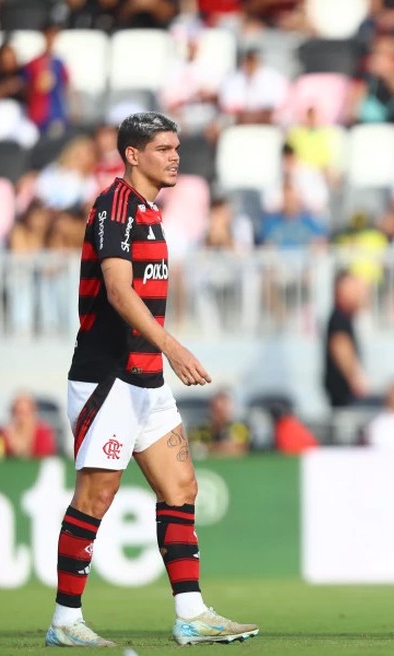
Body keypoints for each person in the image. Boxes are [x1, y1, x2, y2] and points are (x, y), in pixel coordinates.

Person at [45, 112, 258, 647]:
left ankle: (191, 613)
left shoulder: (149, 212)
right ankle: (65, 621)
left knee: (181, 487)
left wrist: (160, 355)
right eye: (163, 148)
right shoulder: (113, 205)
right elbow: (118, 292)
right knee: (96, 495)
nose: (175, 156)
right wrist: (172, 344)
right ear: (133, 155)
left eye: (176, 147)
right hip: (108, 376)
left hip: (147, 378)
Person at [323, 270, 371, 408]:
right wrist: (356, 380)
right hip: (344, 395)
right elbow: (340, 347)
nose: (358, 294)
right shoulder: (339, 318)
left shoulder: (344, 317)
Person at [0, 392, 57, 460]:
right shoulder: (3, 433)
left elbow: (46, 456)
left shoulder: (43, 432)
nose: (21, 417)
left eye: (25, 413)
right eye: (18, 412)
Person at [188, 389, 252, 458]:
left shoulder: (239, 428)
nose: (218, 414)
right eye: (215, 409)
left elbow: (240, 449)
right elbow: (192, 448)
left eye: (221, 410)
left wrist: (208, 448)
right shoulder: (201, 429)